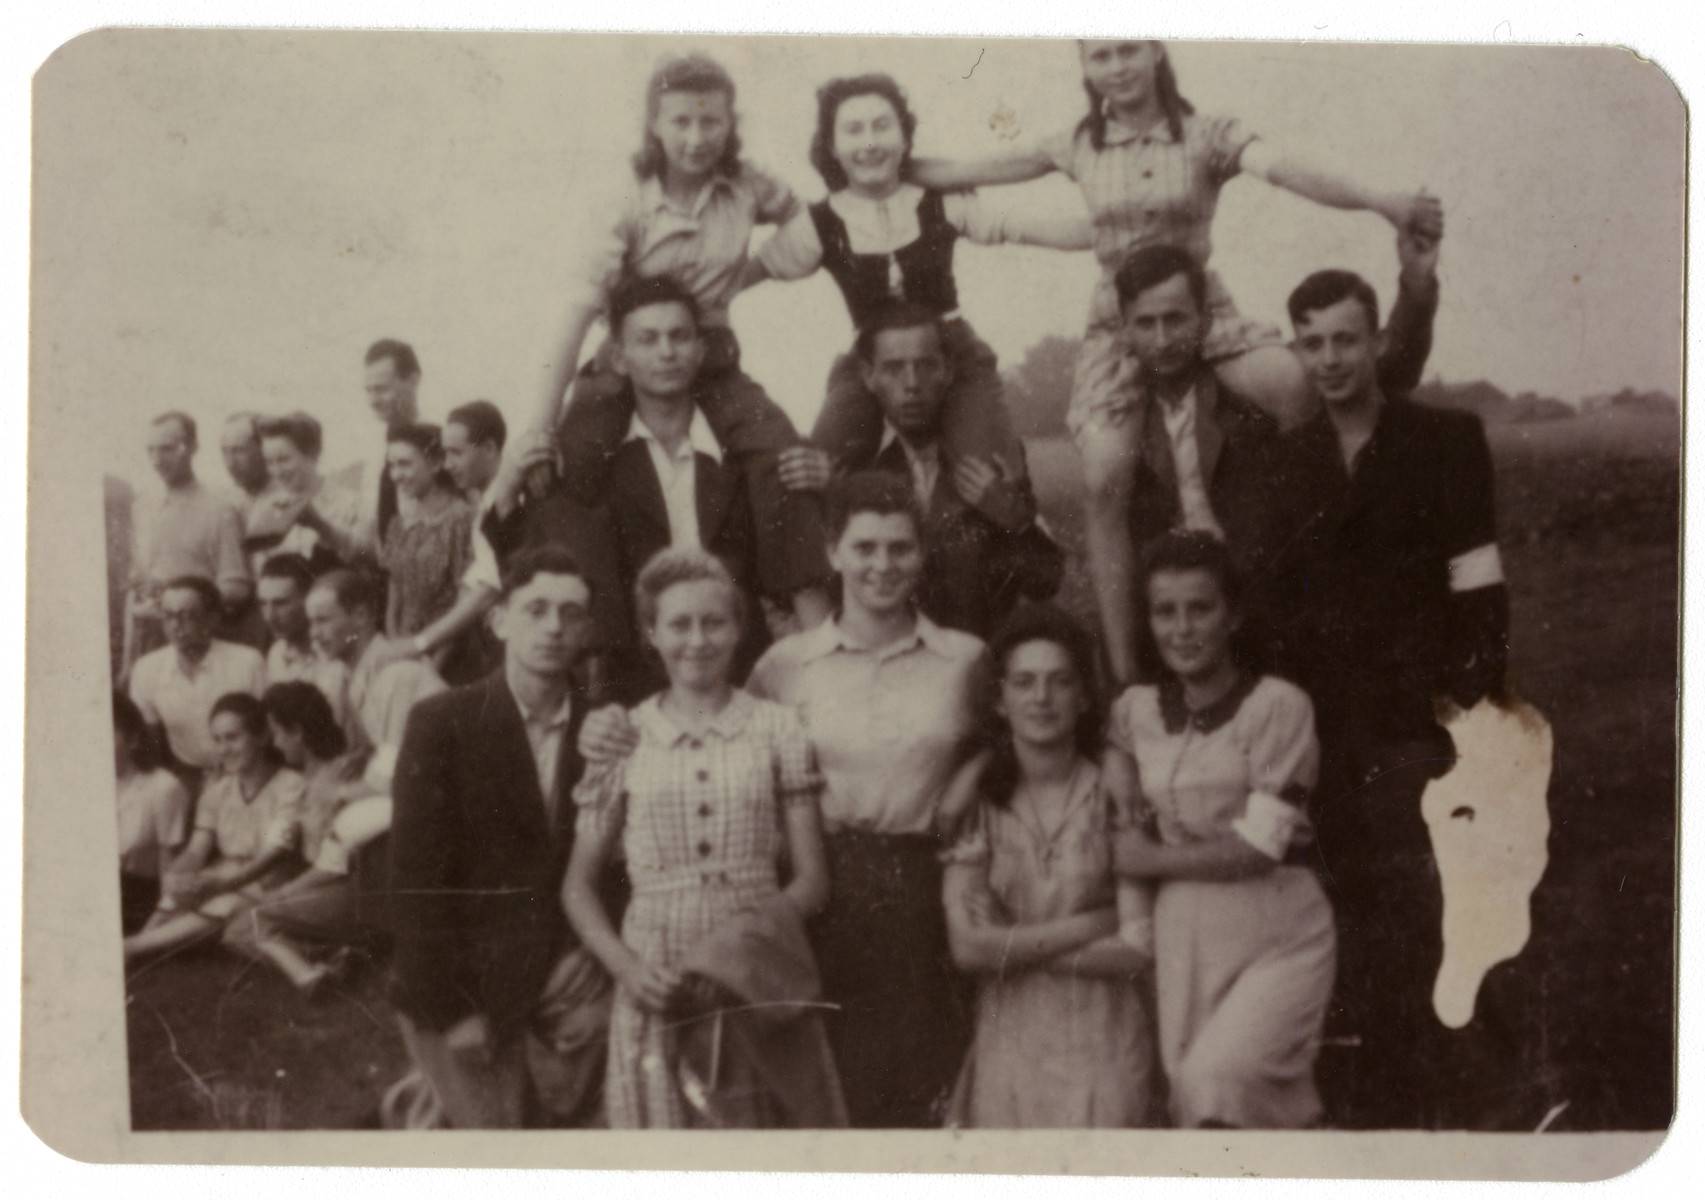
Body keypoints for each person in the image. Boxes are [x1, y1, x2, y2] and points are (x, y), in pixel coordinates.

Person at [913, 39, 1444, 682]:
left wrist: (1382, 201)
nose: (1118, 68)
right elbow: (977, 167)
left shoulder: (1207, 135)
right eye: (1100, 56)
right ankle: (1126, 674)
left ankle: (1331, 574)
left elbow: (1286, 170)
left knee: (1295, 385)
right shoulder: (1077, 144)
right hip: (1120, 324)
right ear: (1084, 67)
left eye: (1130, 50)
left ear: (1157, 53)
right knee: (1103, 477)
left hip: (1201, 312)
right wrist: (884, 171)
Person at [1280, 260, 1515, 1130]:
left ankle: (1489, 1089)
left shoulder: (1444, 439)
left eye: (1345, 339)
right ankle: (1379, 1099)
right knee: (1356, 918)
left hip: (1425, 720)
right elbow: (1279, 610)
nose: (1330, 358)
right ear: (1295, 351)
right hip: (1332, 730)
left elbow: (1478, 586)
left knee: (1443, 906)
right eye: (1311, 343)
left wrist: (1469, 710)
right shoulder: (1286, 458)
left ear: (1377, 341)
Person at [520, 52, 830, 630]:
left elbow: (806, 223)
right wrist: (539, 426)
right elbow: (574, 315)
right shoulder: (624, 200)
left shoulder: (745, 186)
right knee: (573, 465)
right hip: (634, 358)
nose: (696, 138)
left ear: (730, 125)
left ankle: (813, 626)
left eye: (711, 122)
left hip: (711, 353)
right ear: (654, 124)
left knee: (781, 450)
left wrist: (747, 275)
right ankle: (597, 641)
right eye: (681, 121)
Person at [563, 548, 838, 1128]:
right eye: (679, 624)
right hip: (655, 975)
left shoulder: (777, 728)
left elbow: (812, 879)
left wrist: (737, 955)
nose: (698, 640)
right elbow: (578, 887)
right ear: (651, 634)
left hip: (756, 968)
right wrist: (628, 970)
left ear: (739, 628)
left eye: (714, 621)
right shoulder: (625, 736)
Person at [745, 472, 984, 1125]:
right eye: (865, 547)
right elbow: (746, 775)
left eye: (900, 548)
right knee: (832, 1086)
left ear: (922, 553)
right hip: (826, 893)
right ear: (833, 552)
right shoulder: (784, 665)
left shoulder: (965, 660)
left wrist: (976, 770)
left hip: (926, 891)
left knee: (925, 1082)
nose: (882, 565)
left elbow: (1020, 741)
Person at [1103, 533, 1335, 1129]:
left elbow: (1260, 846)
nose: (1181, 629)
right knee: (1195, 1102)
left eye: (1199, 608)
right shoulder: (1138, 710)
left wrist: (1144, 860)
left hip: (1277, 930)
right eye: (1165, 611)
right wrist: (1118, 765)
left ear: (1233, 615)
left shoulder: (1277, 708)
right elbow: (1112, 740)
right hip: (1186, 935)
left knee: (1221, 1081)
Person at [750, 72, 1088, 471]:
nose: (870, 143)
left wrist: (1119, 227)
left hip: (952, 353)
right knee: (821, 467)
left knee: (988, 473)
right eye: (853, 130)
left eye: (882, 126)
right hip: (871, 363)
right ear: (832, 145)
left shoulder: (940, 202)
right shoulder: (818, 224)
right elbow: (735, 276)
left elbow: (1027, 227)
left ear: (906, 137)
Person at [388, 547, 611, 1129]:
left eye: (570, 614)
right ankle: (433, 1093)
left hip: (563, 966)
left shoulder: (605, 725)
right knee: (500, 1148)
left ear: (587, 630)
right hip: (467, 976)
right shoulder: (441, 723)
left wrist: (590, 949)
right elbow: (415, 883)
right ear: (499, 620)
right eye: (535, 609)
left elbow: (613, 865)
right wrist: (455, 1011)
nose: (554, 627)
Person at [494, 277, 779, 695]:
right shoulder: (595, 464)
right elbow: (522, 555)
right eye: (647, 339)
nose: (666, 351)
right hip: (635, 681)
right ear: (620, 358)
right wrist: (507, 480)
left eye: (679, 336)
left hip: (736, 669)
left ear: (701, 351)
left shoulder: (736, 452)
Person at [939, 605, 1155, 1128]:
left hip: (1103, 1046)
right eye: (1024, 682)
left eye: (1060, 682)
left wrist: (1010, 943)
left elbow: (1136, 951)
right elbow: (969, 949)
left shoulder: (1115, 796)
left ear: (1084, 697)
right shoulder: (977, 805)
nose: (1041, 698)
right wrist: (1093, 924)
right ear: (998, 698)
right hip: (1010, 1048)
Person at [122, 693, 307, 965]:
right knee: (179, 890)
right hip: (227, 877)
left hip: (273, 885)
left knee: (226, 903)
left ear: (262, 737)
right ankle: (136, 949)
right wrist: (181, 872)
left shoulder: (290, 785)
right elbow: (198, 848)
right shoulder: (218, 791)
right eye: (217, 740)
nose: (224, 749)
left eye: (233, 737)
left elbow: (274, 855)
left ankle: (133, 948)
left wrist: (223, 883)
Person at [225, 681, 377, 994]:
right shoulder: (303, 777)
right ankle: (334, 959)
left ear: (298, 731)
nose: (274, 743)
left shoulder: (338, 777)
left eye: (278, 733)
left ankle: (306, 975)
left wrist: (284, 893)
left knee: (247, 925)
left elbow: (336, 863)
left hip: (346, 887)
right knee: (238, 928)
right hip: (320, 884)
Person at [388, 400, 508, 683]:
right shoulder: (483, 512)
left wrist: (422, 653)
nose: (449, 464)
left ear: (490, 449)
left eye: (456, 453)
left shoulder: (485, 511)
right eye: (446, 453)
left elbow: (481, 593)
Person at [124, 412, 253, 676]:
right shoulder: (142, 508)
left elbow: (237, 587)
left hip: (197, 645)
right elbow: (136, 588)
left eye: (168, 449)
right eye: (151, 450)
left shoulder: (218, 509)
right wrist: (127, 661)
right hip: (146, 643)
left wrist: (181, 602)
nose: (157, 461)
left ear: (192, 448)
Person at [305, 568, 445, 791]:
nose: (313, 633)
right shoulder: (341, 677)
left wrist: (336, 796)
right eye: (311, 622)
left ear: (360, 616)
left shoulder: (400, 673)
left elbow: (395, 773)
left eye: (323, 620)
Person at [128, 575, 267, 788]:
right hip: (187, 776)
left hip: (247, 773)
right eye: (168, 616)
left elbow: (267, 731)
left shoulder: (247, 662)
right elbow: (151, 743)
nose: (175, 626)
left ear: (212, 618)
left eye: (187, 616)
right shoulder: (147, 669)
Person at [377, 422, 476, 655]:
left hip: (450, 651)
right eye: (392, 465)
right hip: (403, 646)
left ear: (435, 463)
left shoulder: (461, 519)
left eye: (404, 464)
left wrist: (431, 664)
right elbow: (395, 594)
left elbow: (463, 602)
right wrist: (396, 647)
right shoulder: (399, 523)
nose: (396, 475)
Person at [246, 411, 367, 572]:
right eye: (269, 462)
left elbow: (361, 556)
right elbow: (260, 570)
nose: (277, 471)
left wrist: (321, 526)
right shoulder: (265, 507)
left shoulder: (349, 503)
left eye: (284, 459)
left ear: (312, 453)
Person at [113, 691, 192, 935]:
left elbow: (171, 869)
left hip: (137, 899)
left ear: (133, 739)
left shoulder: (162, 787)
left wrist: (153, 931)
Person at [256, 553, 353, 740]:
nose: (269, 616)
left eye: (281, 603)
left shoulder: (338, 656)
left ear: (308, 598)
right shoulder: (276, 654)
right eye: (263, 604)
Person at [219, 413, 270, 521]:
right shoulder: (224, 503)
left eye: (239, 451)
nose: (230, 464)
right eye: (225, 452)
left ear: (263, 449)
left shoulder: (288, 498)